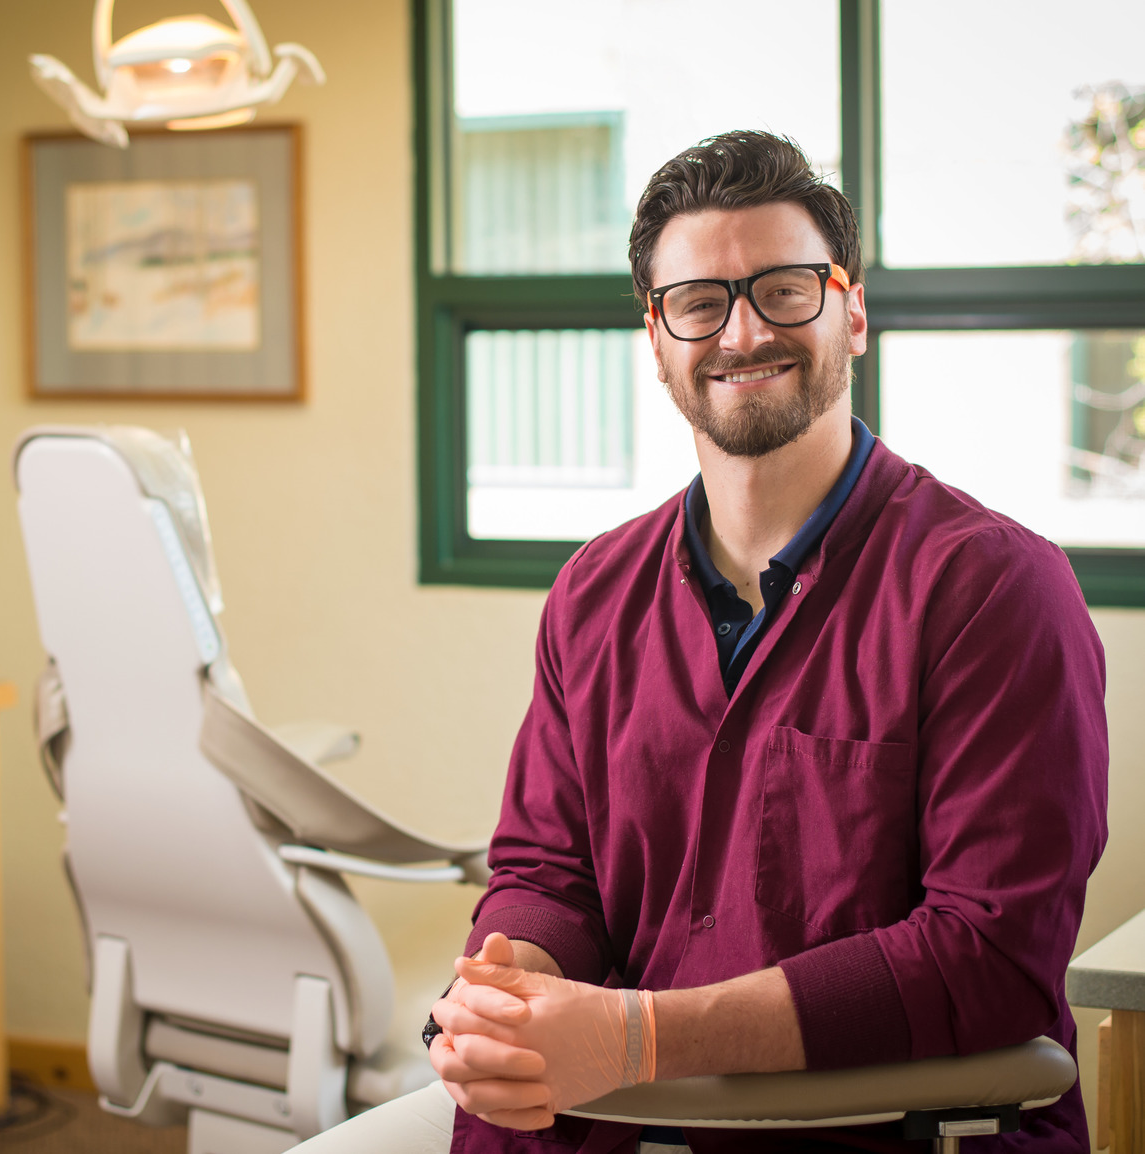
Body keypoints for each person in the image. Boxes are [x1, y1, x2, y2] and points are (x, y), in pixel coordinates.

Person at [294, 130, 1110, 1153]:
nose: (741, 332)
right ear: (655, 337)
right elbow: (548, 869)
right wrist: (513, 993)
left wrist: (638, 1035)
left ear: (849, 311)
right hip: (614, 1115)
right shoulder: (593, 590)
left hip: (869, 1126)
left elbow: (988, 956)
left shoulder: (995, 589)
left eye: (784, 289)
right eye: (699, 301)